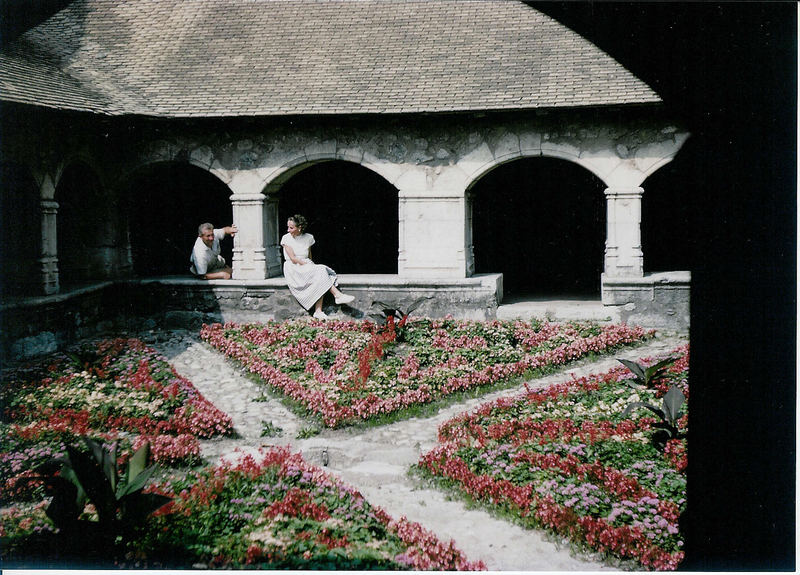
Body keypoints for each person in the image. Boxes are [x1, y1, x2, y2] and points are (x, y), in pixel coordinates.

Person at [281, 214, 354, 319]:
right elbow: (293, 258)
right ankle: (337, 295)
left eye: (291, 228)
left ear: (300, 227)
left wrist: (311, 265)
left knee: (320, 273)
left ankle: (318, 311)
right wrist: (308, 266)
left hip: (306, 264)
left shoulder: (309, 237)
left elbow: (309, 255)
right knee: (320, 270)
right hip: (294, 267)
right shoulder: (286, 238)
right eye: (288, 227)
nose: (288, 230)